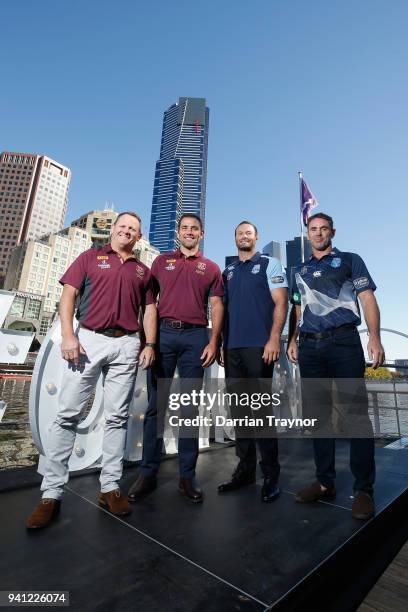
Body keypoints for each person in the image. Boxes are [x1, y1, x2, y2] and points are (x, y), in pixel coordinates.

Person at [26, 212, 157, 529]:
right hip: (89, 339)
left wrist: (149, 343)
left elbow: (149, 309)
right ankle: (51, 494)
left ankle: (109, 487)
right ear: (113, 230)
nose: (126, 231)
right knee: (67, 413)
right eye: (122, 226)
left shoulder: (143, 271)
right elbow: (68, 294)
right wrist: (69, 335)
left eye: (133, 229)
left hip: (126, 343)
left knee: (116, 417)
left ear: (138, 237)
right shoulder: (88, 257)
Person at [287, 212, 384, 520]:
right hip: (309, 346)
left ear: (332, 232)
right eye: (313, 229)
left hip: (343, 342)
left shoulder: (349, 260)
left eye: (323, 229)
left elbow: (367, 299)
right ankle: (325, 482)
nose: (317, 234)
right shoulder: (298, 269)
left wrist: (376, 338)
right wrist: (292, 340)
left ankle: (364, 490)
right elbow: (297, 307)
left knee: (356, 415)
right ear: (307, 233)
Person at [128, 214, 224, 503]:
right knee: (156, 406)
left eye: (195, 229)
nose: (189, 232)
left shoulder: (211, 268)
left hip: (196, 337)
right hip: (165, 335)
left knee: (190, 409)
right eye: (185, 228)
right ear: (178, 232)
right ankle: (147, 473)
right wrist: (149, 342)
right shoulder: (160, 263)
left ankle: (187, 476)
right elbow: (149, 304)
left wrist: (214, 341)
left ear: (202, 234)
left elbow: (217, 305)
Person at [218, 221, 288, 502]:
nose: (244, 236)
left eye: (249, 232)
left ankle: (271, 475)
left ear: (256, 237)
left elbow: (281, 303)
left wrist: (273, 339)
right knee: (240, 413)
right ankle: (245, 470)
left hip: (260, 347)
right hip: (232, 348)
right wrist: (222, 345)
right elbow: (223, 310)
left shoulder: (270, 264)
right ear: (234, 238)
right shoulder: (228, 271)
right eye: (239, 233)